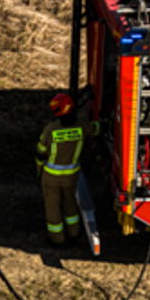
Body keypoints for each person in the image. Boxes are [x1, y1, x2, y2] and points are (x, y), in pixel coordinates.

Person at [35, 93, 103, 246]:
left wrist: (39, 171)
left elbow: (40, 153)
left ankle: (57, 239)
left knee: (53, 208)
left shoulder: (50, 130)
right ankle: (74, 234)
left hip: (51, 178)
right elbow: (97, 128)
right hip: (71, 177)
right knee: (70, 204)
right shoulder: (82, 127)